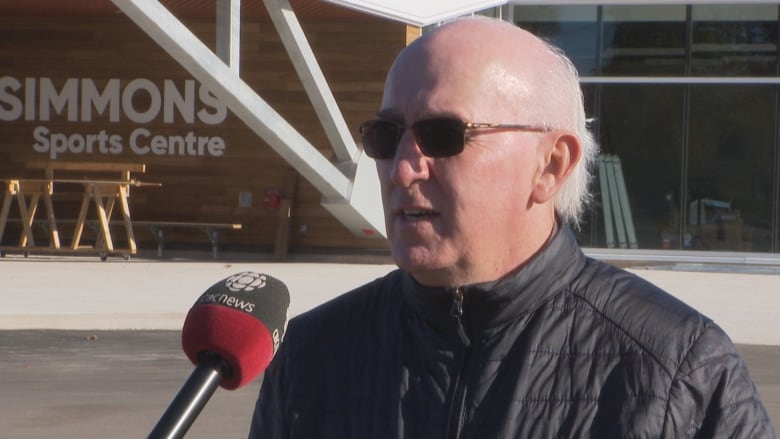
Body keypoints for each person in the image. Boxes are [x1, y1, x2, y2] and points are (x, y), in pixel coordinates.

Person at [249, 17, 775, 438]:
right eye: (387, 136)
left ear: (550, 165)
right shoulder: (312, 357)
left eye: (442, 134)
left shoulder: (677, 372)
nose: (403, 168)